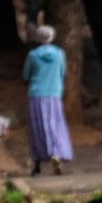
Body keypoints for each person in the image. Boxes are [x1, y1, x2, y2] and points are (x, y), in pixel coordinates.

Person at [23, 25, 73, 176]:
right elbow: (63, 72)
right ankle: (56, 153)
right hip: (54, 95)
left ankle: (37, 165)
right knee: (55, 125)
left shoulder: (33, 55)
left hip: (36, 95)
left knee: (38, 128)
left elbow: (26, 75)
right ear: (53, 37)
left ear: (38, 38)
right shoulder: (59, 54)